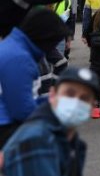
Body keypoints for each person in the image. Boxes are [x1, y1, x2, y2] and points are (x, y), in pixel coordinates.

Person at [1, 67, 100, 176]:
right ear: (52, 94)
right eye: (69, 94)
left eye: (84, 98)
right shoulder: (39, 139)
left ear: (92, 106)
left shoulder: (72, 141)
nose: (75, 102)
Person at [0, 8, 69, 148]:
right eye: (52, 42)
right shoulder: (20, 58)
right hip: (7, 128)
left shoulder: (15, 48)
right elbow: (21, 110)